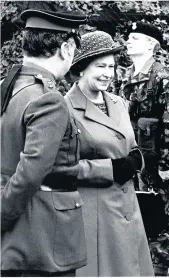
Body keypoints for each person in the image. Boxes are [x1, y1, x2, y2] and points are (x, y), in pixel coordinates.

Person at [1, 9, 87, 276]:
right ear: (66, 48)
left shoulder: (8, 85)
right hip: (41, 237)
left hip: (19, 236)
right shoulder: (47, 98)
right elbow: (30, 174)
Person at [65, 30, 154, 277]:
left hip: (127, 206)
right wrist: (109, 169)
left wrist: (138, 158)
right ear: (81, 68)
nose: (108, 73)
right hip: (95, 213)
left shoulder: (118, 102)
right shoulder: (64, 108)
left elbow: (129, 145)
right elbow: (58, 166)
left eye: (112, 67)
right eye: (100, 66)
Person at [120, 21, 169, 276]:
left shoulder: (162, 78)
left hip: (154, 164)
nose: (128, 41)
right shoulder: (124, 76)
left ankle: (159, 268)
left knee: (156, 216)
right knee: (131, 212)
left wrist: (168, 164)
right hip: (129, 161)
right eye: (129, 37)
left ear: (151, 44)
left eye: (135, 38)